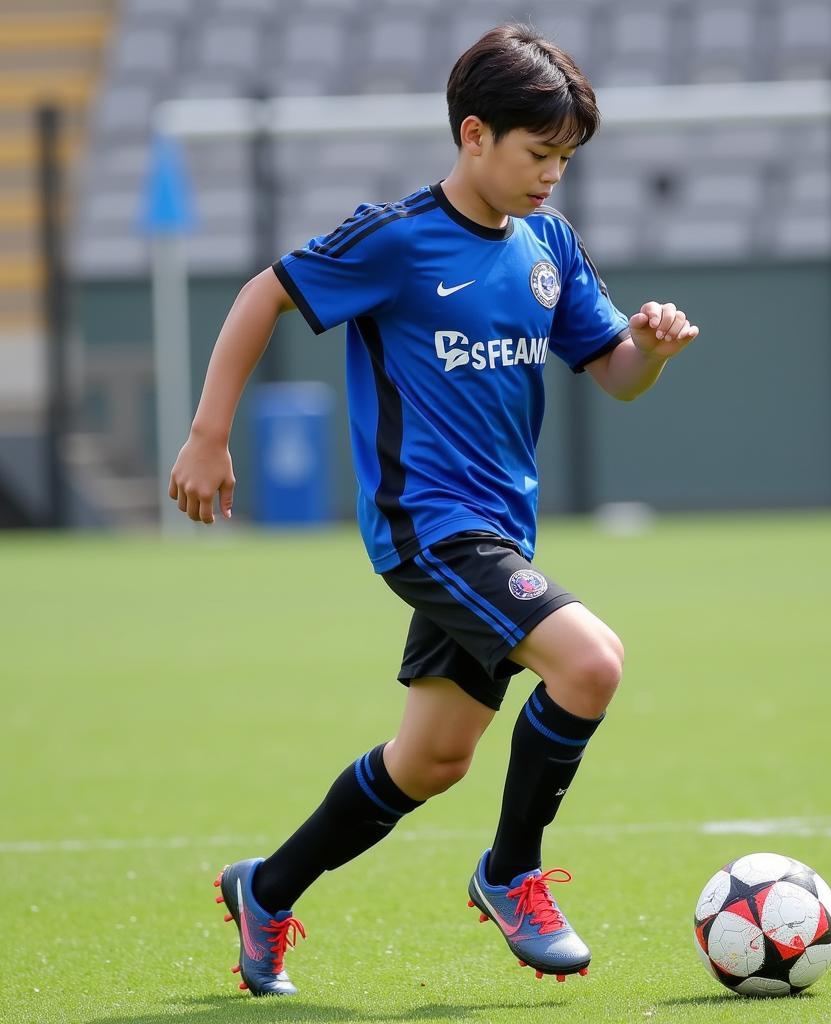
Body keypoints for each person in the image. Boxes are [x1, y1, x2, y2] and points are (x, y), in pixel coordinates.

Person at [170, 23, 700, 998]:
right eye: (537, 155)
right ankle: (510, 874)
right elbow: (264, 292)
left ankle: (266, 889)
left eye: (565, 160)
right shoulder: (399, 240)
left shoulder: (548, 245)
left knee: (432, 759)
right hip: (431, 526)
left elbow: (613, 372)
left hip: (500, 533)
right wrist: (209, 432)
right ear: (472, 136)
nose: (552, 177)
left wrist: (651, 349)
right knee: (590, 662)